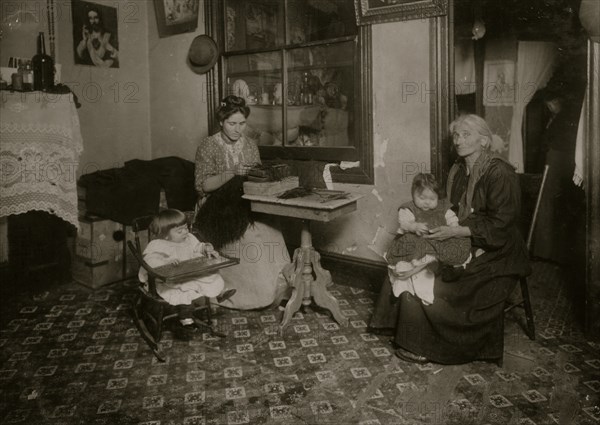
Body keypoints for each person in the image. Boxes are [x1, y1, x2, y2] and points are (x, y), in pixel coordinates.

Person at [369, 114, 531, 365]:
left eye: (466, 135)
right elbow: (448, 210)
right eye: (456, 135)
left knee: (444, 282)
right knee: (410, 255)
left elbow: (501, 225)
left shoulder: (499, 173)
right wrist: (429, 235)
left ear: (484, 141)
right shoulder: (458, 169)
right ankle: (405, 329)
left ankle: (428, 344)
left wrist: (452, 238)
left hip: (499, 249)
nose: (458, 140)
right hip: (463, 236)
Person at [194, 95, 291, 310]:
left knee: (270, 227)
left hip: (243, 199)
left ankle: (281, 288)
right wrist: (232, 172)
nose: (238, 129)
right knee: (250, 234)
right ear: (221, 122)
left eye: (242, 123)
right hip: (215, 205)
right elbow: (203, 186)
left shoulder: (249, 145)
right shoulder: (208, 145)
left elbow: (256, 176)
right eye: (232, 124)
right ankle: (254, 295)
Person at [139, 209, 236, 339]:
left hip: (189, 272)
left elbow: (198, 246)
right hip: (169, 280)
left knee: (211, 276)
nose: (185, 232)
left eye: (186, 228)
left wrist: (206, 248)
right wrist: (165, 261)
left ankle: (220, 293)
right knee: (184, 291)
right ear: (165, 235)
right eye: (180, 231)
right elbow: (149, 261)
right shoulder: (157, 244)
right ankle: (186, 319)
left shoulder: (188, 238)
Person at [386, 173, 472, 305]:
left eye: (432, 199)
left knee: (459, 243)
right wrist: (413, 226)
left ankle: (453, 266)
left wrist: (453, 226)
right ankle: (408, 278)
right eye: (422, 197)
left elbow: (452, 219)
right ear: (413, 194)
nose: (427, 202)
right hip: (417, 240)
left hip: (437, 240)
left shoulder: (443, 208)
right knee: (410, 248)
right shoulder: (408, 208)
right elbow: (404, 222)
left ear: (438, 197)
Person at [532, 89, 585, 264]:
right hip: (554, 163)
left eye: (552, 103)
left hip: (557, 163)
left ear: (559, 101)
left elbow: (550, 141)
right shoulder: (558, 118)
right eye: (548, 105)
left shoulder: (564, 120)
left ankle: (547, 252)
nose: (550, 107)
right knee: (551, 205)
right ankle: (546, 251)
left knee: (550, 205)